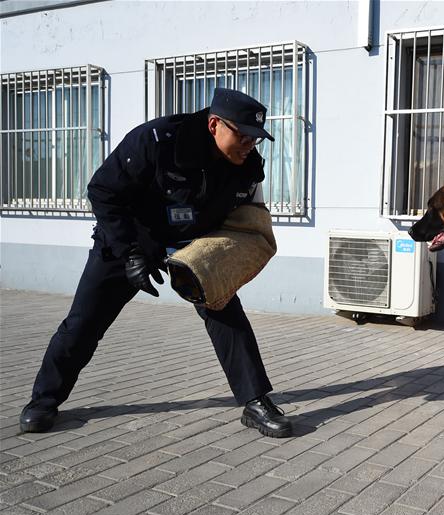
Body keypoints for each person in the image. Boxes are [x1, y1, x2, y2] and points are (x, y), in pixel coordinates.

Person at [19, 88, 292, 438]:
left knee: (225, 312)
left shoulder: (248, 167)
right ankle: (43, 401)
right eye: (242, 135)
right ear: (213, 125)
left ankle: (255, 402)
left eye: (255, 138)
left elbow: (246, 218)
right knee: (83, 323)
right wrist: (130, 253)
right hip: (129, 239)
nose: (249, 145)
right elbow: (103, 191)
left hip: (191, 246)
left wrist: (227, 258)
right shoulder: (157, 140)